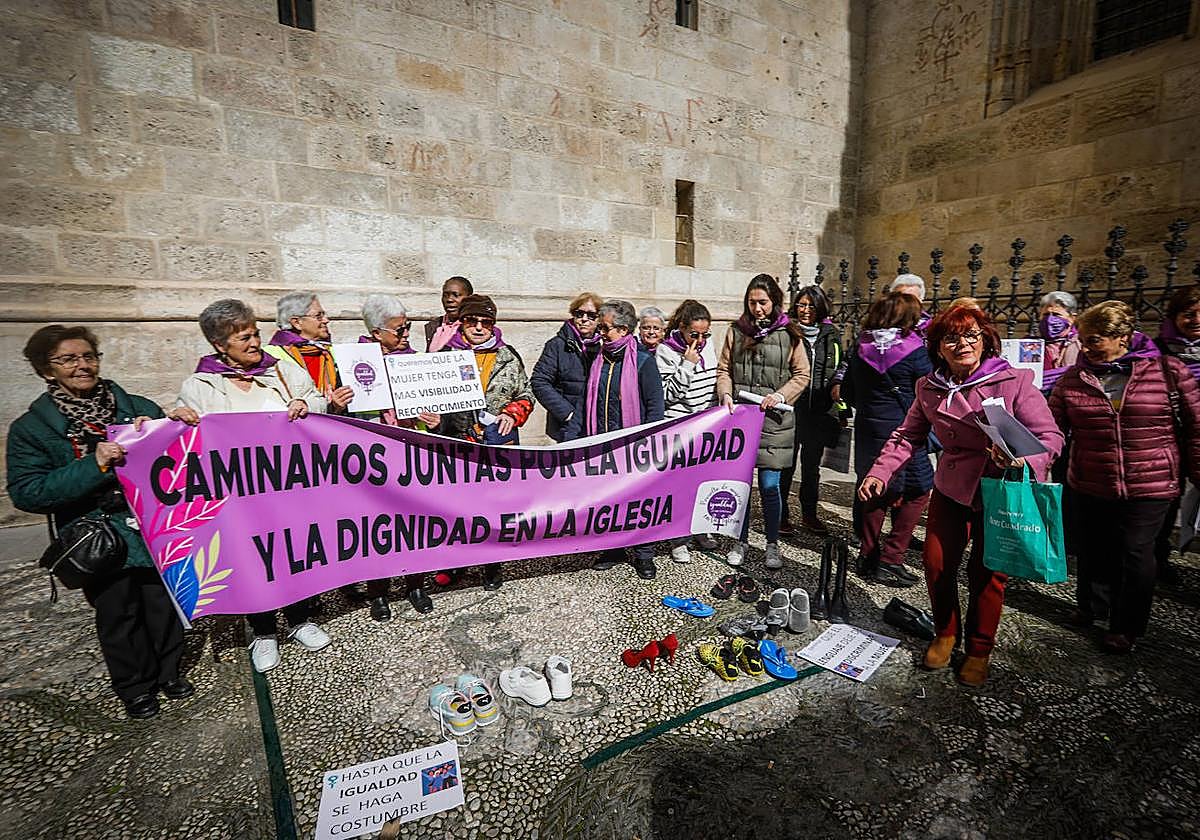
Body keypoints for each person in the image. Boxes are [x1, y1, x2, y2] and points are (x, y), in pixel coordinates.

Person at [859, 304, 1063, 687]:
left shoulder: (1013, 381)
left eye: (971, 335)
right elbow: (908, 436)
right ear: (938, 347)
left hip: (1000, 491)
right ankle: (945, 633)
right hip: (952, 488)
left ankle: (979, 649)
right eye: (952, 338)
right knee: (936, 564)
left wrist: (1022, 459)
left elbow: (1050, 438)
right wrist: (880, 471)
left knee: (987, 575)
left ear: (986, 340)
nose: (963, 344)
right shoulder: (929, 387)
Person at [7, 325, 199, 719]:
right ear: (47, 370)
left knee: (161, 603)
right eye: (68, 359)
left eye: (88, 357)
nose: (82, 366)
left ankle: (168, 671)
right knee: (119, 611)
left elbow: (176, 456)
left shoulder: (135, 406)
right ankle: (135, 687)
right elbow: (28, 492)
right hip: (98, 536)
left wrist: (177, 423)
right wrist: (92, 465)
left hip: (149, 525)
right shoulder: (31, 430)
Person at [176, 299, 331, 674]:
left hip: (288, 490)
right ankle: (263, 631)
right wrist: (180, 419)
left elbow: (317, 401)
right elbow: (188, 438)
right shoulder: (200, 385)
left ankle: (300, 620)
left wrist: (305, 404)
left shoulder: (281, 371)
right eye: (243, 337)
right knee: (252, 560)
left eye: (255, 334)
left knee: (294, 553)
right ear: (219, 345)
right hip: (237, 498)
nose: (254, 343)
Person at [1049, 301, 1200, 654]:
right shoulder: (1074, 379)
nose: (1086, 348)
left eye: (1095, 340)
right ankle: (1091, 606)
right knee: (1093, 548)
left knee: (1136, 551)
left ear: (1123, 337)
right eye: (1083, 340)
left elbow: (1196, 427)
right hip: (1091, 478)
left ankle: (1126, 625)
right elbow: (1053, 429)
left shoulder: (1168, 371)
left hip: (1152, 481)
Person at [436, 294, 533, 590]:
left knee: (493, 507)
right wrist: (431, 418)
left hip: (495, 445)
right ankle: (456, 564)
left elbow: (526, 394)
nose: (479, 327)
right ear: (461, 323)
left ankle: (492, 565)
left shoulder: (507, 356)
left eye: (486, 322)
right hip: (456, 442)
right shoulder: (444, 357)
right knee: (456, 508)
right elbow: (428, 398)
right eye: (472, 321)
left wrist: (513, 413)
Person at [716, 274, 812, 571]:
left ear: (774, 302)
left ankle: (771, 544)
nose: (757, 308)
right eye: (752, 302)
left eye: (763, 302)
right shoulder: (735, 331)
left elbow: (802, 375)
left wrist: (780, 395)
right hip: (742, 420)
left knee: (771, 487)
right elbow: (724, 369)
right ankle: (740, 541)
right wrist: (725, 394)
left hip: (774, 422)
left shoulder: (790, 333)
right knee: (740, 486)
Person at [353, 294, 440, 619]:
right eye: (399, 330)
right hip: (371, 457)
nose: (406, 335)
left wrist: (435, 419)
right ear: (377, 333)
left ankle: (416, 584)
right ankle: (378, 591)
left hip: (411, 454)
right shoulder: (351, 363)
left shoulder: (416, 360)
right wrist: (338, 401)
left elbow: (435, 411)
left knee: (415, 523)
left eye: (408, 327)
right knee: (376, 526)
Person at [841, 292, 931, 588]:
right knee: (919, 490)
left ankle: (867, 555)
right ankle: (891, 559)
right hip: (904, 432)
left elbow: (847, 392)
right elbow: (928, 392)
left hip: (868, 429)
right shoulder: (916, 350)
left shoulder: (861, 347)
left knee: (873, 490)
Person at [579, 299, 665, 580]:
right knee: (610, 499)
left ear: (625, 329)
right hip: (603, 444)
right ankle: (613, 548)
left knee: (640, 500)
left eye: (605, 328)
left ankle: (644, 554)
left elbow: (655, 408)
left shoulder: (643, 362)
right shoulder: (598, 360)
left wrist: (647, 445)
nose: (600, 333)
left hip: (634, 447)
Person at [655, 299, 719, 562]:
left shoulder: (710, 346)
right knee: (680, 486)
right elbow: (668, 395)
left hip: (707, 426)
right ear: (681, 328)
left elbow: (715, 383)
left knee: (705, 483)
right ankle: (678, 537)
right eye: (694, 334)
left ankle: (702, 529)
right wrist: (687, 364)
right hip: (680, 427)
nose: (700, 340)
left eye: (706, 334)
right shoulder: (664, 351)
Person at [779, 285, 842, 536]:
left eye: (811, 306)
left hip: (819, 410)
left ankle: (809, 514)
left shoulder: (831, 333)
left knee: (812, 467)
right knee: (786, 465)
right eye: (801, 305)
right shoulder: (788, 331)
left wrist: (840, 411)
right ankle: (781, 515)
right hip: (793, 408)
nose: (805, 311)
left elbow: (839, 368)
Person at [1154, 285, 1200, 581]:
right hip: (1170, 434)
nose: (1196, 319)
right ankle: (1159, 556)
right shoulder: (1156, 350)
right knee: (1167, 498)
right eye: (1188, 313)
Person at [264, 291, 354, 413]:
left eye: (324, 315)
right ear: (297, 323)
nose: (326, 320)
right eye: (318, 316)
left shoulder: (332, 351)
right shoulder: (270, 355)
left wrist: (336, 403)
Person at [530, 292, 602, 443]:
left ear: (599, 319)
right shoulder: (557, 345)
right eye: (579, 313)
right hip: (566, 425)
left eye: (591, 315)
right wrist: (567, 413)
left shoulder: (604, 345)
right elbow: (539, 381)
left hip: (597, 423)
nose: (584, 319)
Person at [1038, 291, 1081, 394]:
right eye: (1046, 314)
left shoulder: (1081, 344)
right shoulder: (1030, 345)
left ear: (1072, 318)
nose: (1050, 319)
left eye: (1057, 315)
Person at [425, 275, 473, 352]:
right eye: (445, 295)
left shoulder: (475, 326)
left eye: (456, 295)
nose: (449, 299)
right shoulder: (434, 325)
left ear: (469, 298)